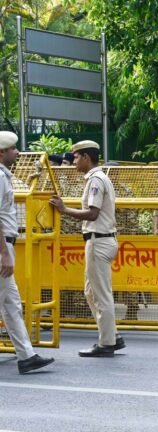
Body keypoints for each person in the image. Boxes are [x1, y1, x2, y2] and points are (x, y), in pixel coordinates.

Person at [49, 140, 124, 358]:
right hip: (99, 240)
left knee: (100, 294)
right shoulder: (97, 178)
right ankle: (111, 335)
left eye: (75, 157)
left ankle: (107, 342)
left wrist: (64, 210)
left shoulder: (96, 180)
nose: (73, 162)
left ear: (86, 157)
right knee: (91, 292)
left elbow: (92, 213)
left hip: (99, 240)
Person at [0, 131, 55, 374]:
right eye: (13, 148)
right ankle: (26, 356)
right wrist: (4, 253)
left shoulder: (5, 176)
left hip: (6, 244)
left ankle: (26, 356)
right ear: (2, 152)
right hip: (2, 247)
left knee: (12, 304)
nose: (18, 152)